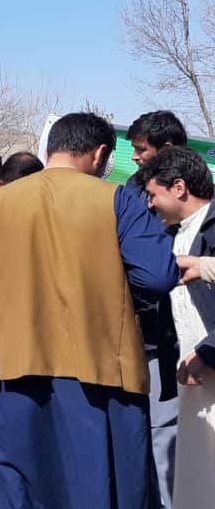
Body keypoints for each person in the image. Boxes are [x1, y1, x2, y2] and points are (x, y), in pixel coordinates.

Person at [0, 112, 179, 508]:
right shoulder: (116, 199)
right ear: (101, 154)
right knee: (103, 484)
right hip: (103, 369)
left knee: (24, 486)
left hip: (14, 369)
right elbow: (157, 275)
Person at [138, 146, 215, 509]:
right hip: (192, 379)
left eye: (154, 195)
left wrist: (208, 352)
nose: (150, 204)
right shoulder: (169, 234)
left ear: (179, 187)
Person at [126, 109, 188, 509]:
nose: (134, 158)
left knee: (171, 434)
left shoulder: (200, 203)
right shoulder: (131, 192)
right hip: (142, 335)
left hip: (185, 340)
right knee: (147, 432)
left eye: (140, 150)